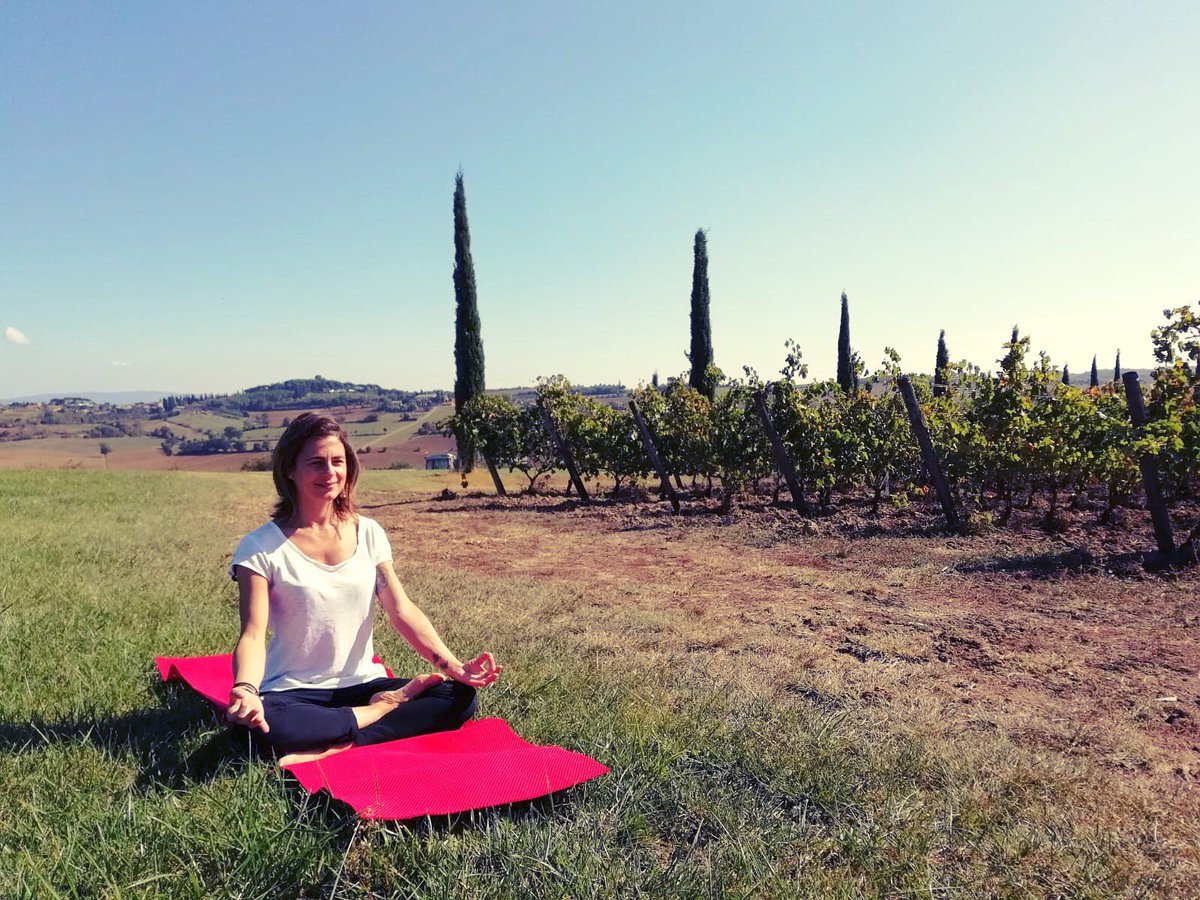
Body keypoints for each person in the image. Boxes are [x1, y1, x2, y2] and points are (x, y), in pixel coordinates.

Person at [224, 412, 501, 765]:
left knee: (457, 697)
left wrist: (455, 667)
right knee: (261, 726)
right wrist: (246, 689)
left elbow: (401, 609)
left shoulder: (367, 532)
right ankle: (379, 713)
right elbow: (252, 633)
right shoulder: (259, 548)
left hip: (362, 683)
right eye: (316, 463)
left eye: (337, 462)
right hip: (294, 691)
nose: (330, 473)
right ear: (290, 469)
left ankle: (345, 743)